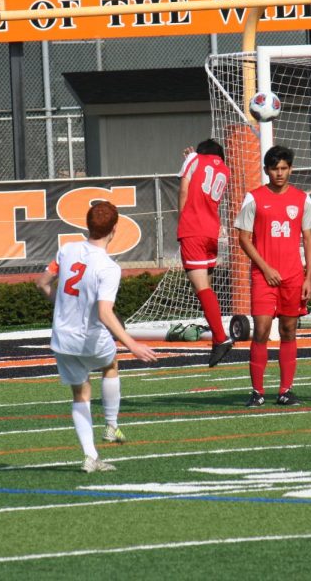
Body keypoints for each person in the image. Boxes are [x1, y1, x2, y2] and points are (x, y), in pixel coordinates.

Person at [37, 201, 158, 472]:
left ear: (87, 225)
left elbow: (41, 283)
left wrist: (62, 305)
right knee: (111, 364)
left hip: (62, 337)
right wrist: (132, 344)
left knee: (80, 393)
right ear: (114, 230)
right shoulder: (109, 267)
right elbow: (104, 313)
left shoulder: (67, 249)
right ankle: (112, 426)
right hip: (89, 336)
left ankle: (90, 456)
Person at [234, 145, 311, 407]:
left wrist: (308, 277)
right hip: (263, 276)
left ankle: (285, 391)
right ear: (267, 170)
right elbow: (244, 239)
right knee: (261, 330)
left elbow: (309, 240)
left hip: (293, 277)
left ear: (290, 169)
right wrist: (265, 268)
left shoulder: (303, 199)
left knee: (289, 330)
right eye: (274, 169)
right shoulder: (254, 198)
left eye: (284, 168)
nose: (280, 173)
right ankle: (257, 392)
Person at [177, 139, 234, 367]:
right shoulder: (225, 169)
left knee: (201, 289)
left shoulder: (193, 159)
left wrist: (183, 221)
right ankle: (217, 339)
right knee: (206, 287)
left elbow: (184, 191)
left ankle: (220, 338)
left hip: (193, 229)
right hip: (212, 231)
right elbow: (205, 173)